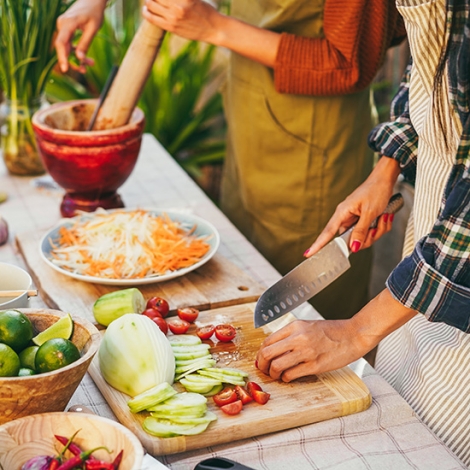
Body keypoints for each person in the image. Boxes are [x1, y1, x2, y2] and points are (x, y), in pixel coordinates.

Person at [54, 0, 406, 321]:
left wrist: (215, 27)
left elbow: (348, 64)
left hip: (314, 149)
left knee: (309, 319)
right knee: (245, 283)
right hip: (253, 121)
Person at [256, 0, 470, 464]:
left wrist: (354, 333)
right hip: (434, 237)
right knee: (395, 409)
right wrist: (386, 169)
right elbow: (429, 63)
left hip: (459, 267)